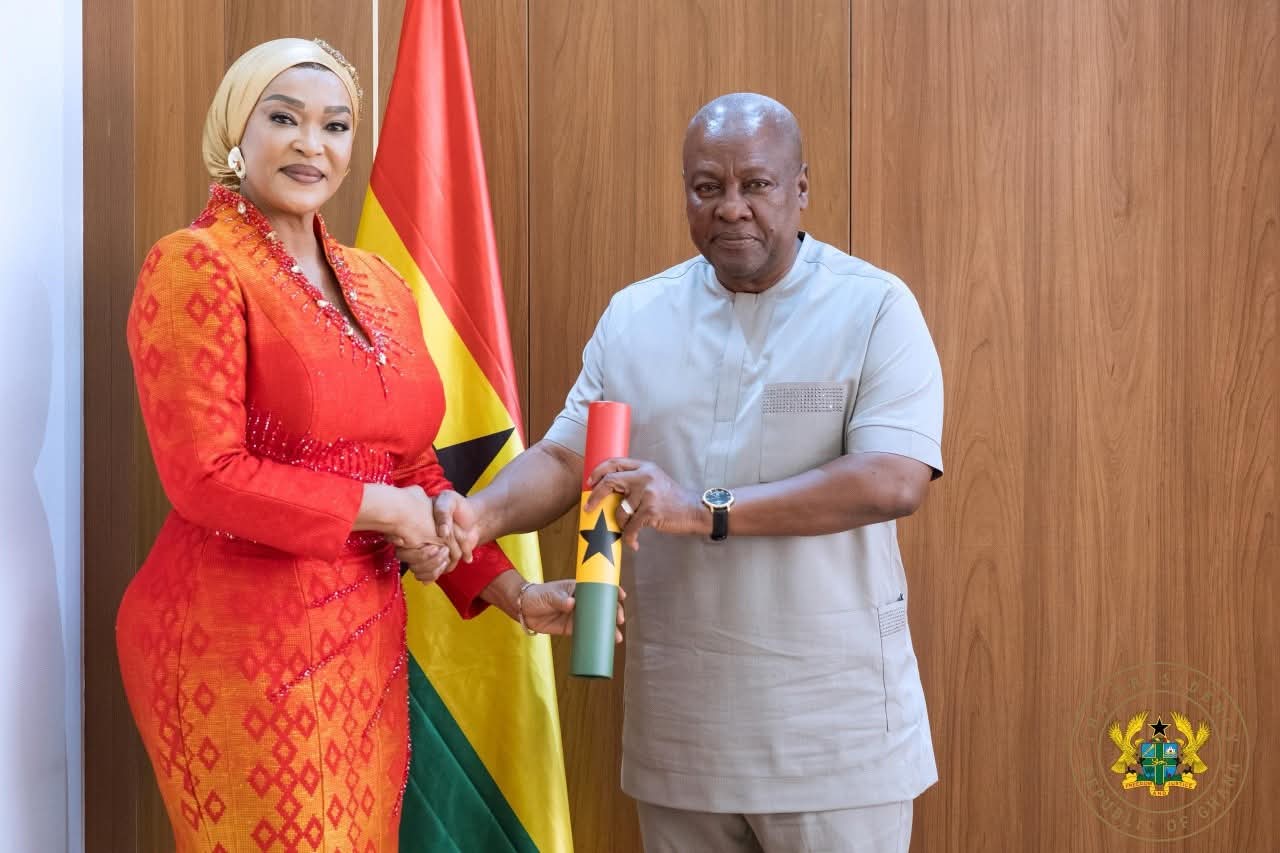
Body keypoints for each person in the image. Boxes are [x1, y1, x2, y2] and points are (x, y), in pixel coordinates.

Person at [436, 92, 944, 852]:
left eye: (756, 184)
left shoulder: (874, 308)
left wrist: (702, 508)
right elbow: (567, 457)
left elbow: (894, 479)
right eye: (708, 187)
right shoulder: (636, 316)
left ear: (801, 188)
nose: (731, 207)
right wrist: (480, 517)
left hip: (834, 740)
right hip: (683, 737)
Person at [117, 38, 587, 851]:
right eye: (284, 118)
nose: (312, 143)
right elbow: (205, 475)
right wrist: (383, 510)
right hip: (234, 643)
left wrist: (511, 591)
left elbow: (411, 466)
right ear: (236, 128)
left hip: (365, 643)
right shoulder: (194, 264)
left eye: (335, 125)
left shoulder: (380, 282)